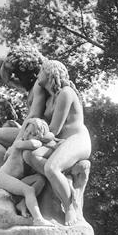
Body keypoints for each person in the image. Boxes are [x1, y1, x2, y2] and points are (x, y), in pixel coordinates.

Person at [22, 59, 91, 226]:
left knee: (51, 167)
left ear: (50, 73)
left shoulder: (66, 93)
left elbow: (54, 129)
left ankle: (69, 208)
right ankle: (61, 181)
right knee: (29, 155)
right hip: (58, 142)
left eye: (41, 71)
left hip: (76, 140)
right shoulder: (49, 98)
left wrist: (28, 137)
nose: (38, 75)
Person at [0, 45, 51, 165]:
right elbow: (7, 80)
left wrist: (15, 144)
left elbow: (34, 115)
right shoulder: (32, 87)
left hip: (38, 132)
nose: (16, 77)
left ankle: (12, 167)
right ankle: (13, 168)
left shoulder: (38, 86)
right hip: (34, 130)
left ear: (30, 72)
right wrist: (5, 67)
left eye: (18, 73)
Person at [0, 118, 56, 226]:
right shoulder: (19, 143)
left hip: (15, 179)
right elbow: (34, 144)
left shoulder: (32, 143)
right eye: (26, 131)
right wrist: (44, 138)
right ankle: (38, 220)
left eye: (32, 133)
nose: (27, 135)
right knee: (28, 190)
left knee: (40, 179)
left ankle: (22, 204)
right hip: (3, 177)